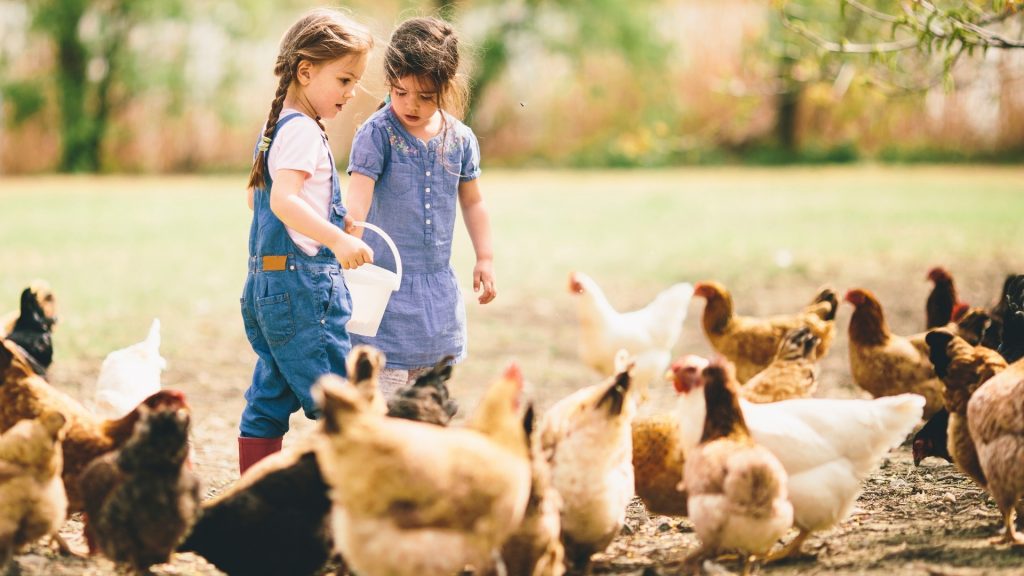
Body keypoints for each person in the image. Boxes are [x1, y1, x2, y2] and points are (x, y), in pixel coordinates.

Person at [238, 8, 374, 474]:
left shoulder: (279, 128)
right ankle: (351, 497)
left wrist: (335, 223)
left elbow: (277, 210)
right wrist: (336, 239)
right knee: (340, 400)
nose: (351, 92)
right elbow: (283, 202)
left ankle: (256, 495)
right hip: (301, 294)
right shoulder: (301, 133)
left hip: (268, 292)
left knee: (269, 398)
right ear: (305, 70)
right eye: (345, 79)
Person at [345, 16, 496, 396]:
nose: (411, 105)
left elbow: (474, 202)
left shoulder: (460, 139)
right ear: (389, 83)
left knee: (430, 404)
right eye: (400, 92)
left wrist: (485, 257)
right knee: (386, 402)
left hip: (437, 297)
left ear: (446, 87)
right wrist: (349, 239)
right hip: (384, 292)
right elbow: (358, 197)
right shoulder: (377, 134)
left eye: (425, 96)